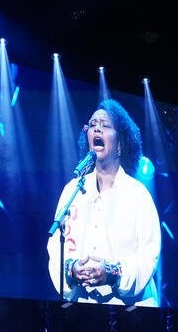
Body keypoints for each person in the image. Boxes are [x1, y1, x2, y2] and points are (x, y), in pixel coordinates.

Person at [47, 97, 162, 307]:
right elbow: (55, 247)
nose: (97, 129)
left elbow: (148, 254)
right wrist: (71, 270)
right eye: (92, 125)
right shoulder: (72, 190)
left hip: (131, 310)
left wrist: (112, 273)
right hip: (83, 306)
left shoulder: (138, 195)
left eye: (105, 126)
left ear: (120, 142)